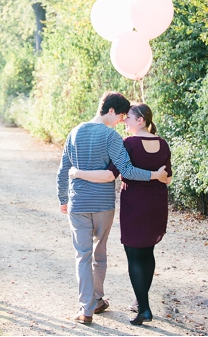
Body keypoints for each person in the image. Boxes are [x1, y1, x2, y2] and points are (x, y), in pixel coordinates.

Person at [56, 91, 169, 325]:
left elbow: (62, 169)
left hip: (78, 202)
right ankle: (97, 299)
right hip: (103, 205)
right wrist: (155, 175)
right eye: (120, 115)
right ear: (109, 111)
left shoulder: (74, 132)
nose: (121, 120)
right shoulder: (112, 137)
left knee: (82, 256)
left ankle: (87, 308)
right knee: (99, 254)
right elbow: (125, 171)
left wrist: (63, 199)